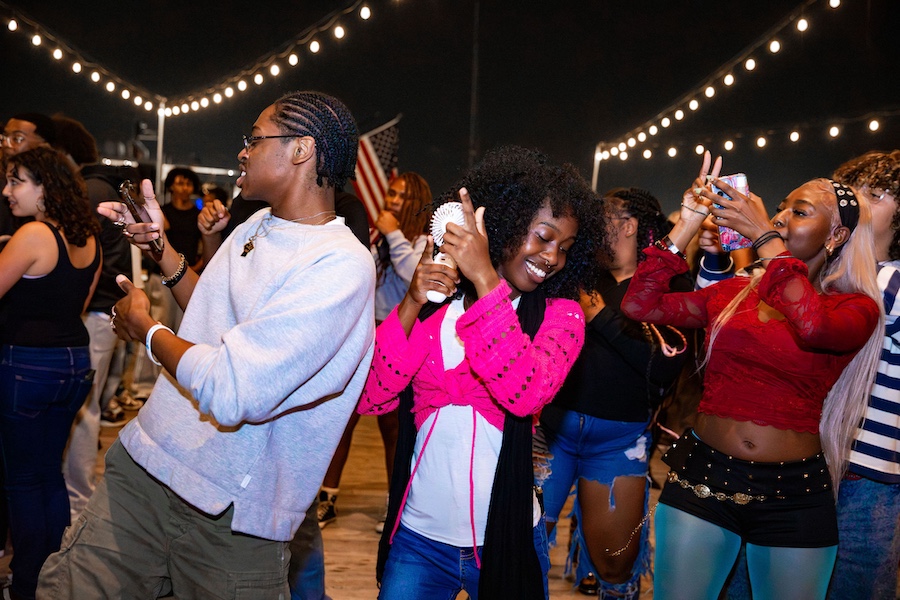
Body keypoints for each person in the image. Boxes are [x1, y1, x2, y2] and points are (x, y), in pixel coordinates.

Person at [37, 90, 375, 599]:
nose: (243, 151)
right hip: (147, 468)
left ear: (302, 150)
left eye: (254, 139)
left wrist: (148, 331)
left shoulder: (340, 266)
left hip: (233, 516)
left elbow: (231, 387)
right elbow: (212, 317)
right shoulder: (258, 224)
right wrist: (158, 246)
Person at [621, 152, 883, 600]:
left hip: (794, 496)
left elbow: (811, 324)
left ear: (838, 235)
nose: (779, 216)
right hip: (701, 478)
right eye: (780, 207)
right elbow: (639, 305)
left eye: (798, 212)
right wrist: (687, 222)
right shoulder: (731, 292)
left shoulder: (855, 308)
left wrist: (763, 236)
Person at [358, 146, 606, 600]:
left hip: (507, 540)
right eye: (543, 237)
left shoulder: (561, 317)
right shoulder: (437, 309)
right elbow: (372, 395)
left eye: (565, 249)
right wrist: (411, 302)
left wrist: (486, 278)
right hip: (419, 540)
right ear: (505, 227)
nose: (552, 257)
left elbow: (526, 392)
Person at [537, 187, 691, 599]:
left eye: (598, 219)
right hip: (551, 433)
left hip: (620, 442)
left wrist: (598, 314)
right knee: (522, 544)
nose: (587, 229)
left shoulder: (669, 282)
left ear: (627, 225)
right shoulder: (579, 270)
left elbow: (664, 364)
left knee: (616, 562)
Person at [0, 147, 101, 600]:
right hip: (74, 364)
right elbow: (74, 307)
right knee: (49, 474)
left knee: (22, 479)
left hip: (26, 366)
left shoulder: (34, 233)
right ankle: (50, 580)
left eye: (16, 180)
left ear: (45, 188)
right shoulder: (87, 238)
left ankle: (24, 586)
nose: (7, 191)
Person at [318, 172, 433, 533]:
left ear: (415, 201)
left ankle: (395, 503)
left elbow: (415, 275)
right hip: (368, 330)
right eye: (391, 193)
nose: (391, 200)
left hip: (403, 335)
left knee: (394, 428)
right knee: (344, 418)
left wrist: (394, 233)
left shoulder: (426, 241)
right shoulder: (380, 236)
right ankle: (327, 498)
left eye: (400, 195)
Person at [51, 115, 143, 517]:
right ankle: (77, 498)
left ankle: (78, 502)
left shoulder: (89, 190)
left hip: (94, 312)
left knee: (83, 411)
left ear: (61, 153)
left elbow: (78, 258)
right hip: (98, 311)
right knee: (84, 409)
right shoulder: (99, 185)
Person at [827, 150, 900, 600]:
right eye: (852, 193)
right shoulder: (822, 272)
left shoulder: (890, 282)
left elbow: (859, 304)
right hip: (802, 467)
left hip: (867, 480)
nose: (859, 202)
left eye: (876, 195)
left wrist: (768, 245)